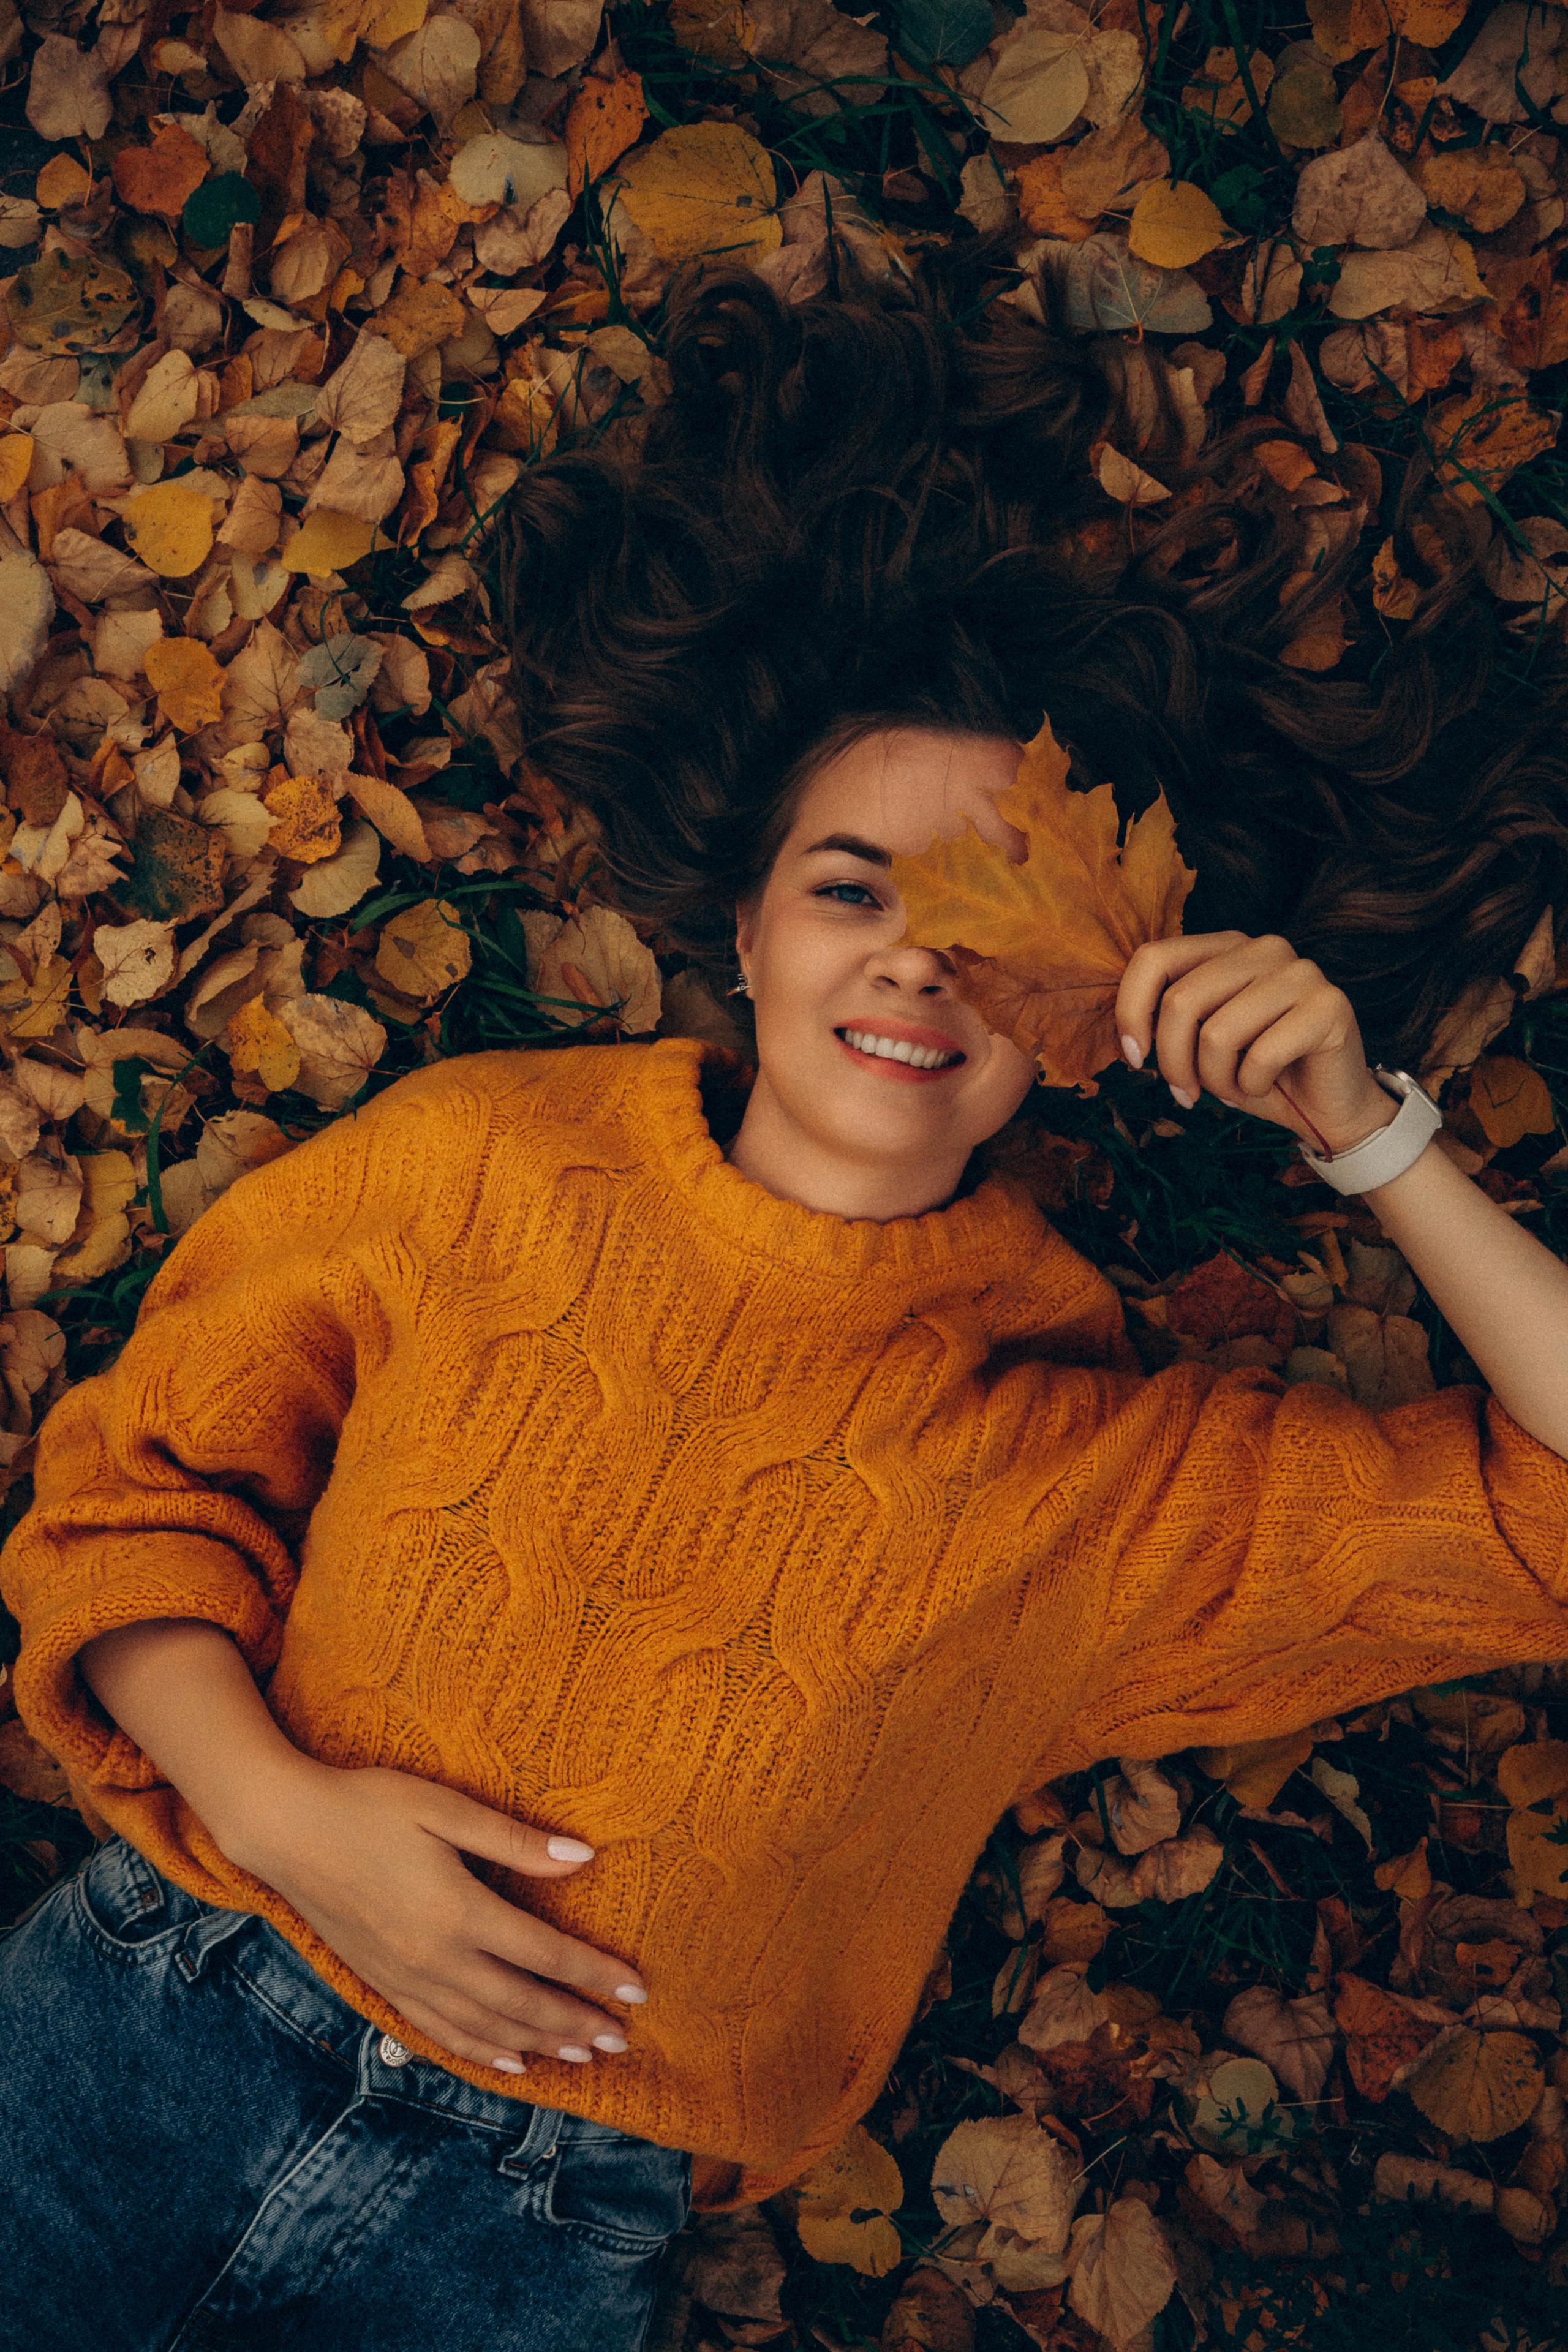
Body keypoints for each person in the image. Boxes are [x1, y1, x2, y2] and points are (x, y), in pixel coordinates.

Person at [3, 250, 1568, 2352]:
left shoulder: (1104, 1476)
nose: (915, 959)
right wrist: (286, 1821)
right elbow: (133, 1509)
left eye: (999, 929)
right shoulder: (475, 1160)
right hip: (140, 2027)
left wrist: (1368, 1133)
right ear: (741, 927)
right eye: (852, 890)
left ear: (1098, 1017)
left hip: (517, 2246)